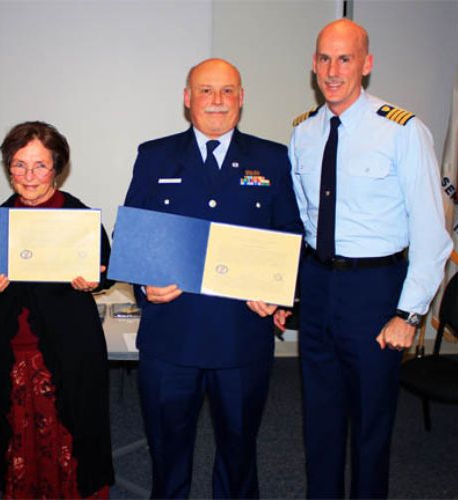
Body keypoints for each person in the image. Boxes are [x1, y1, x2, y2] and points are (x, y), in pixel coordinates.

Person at [123, 58, 302, 498]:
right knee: (167, 456)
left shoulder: (273, 158)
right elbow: (130, 235)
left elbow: (292, 236)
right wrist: (145, 284)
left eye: (227, 91)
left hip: (241, 338)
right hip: (171, 338)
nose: (216, 101)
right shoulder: (154, 155)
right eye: (205, 90)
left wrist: (279, 295)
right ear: (188, 99)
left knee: (239, 456)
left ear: (242, 99)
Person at [288, 18, 452, 498]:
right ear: (313, 64)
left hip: (376, 291)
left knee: (370, 425)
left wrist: (408, 312)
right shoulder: (304, 132)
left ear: (367, 63)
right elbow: (304, 221)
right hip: (319, 288)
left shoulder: (401, 130)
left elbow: (431, 231)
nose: (333, 70)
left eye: (345, 58)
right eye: (324, 58)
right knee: (318, 419)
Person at [0, 121, 115, 498]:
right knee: (18, 440)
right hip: (14, 354)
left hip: (72, 351)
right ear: (8, 168)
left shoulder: (79, 216)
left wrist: (94, 279)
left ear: (57, 168)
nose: (29, 176)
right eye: (19, 165)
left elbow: (107, 269)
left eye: (40, 165)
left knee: (75, 439)